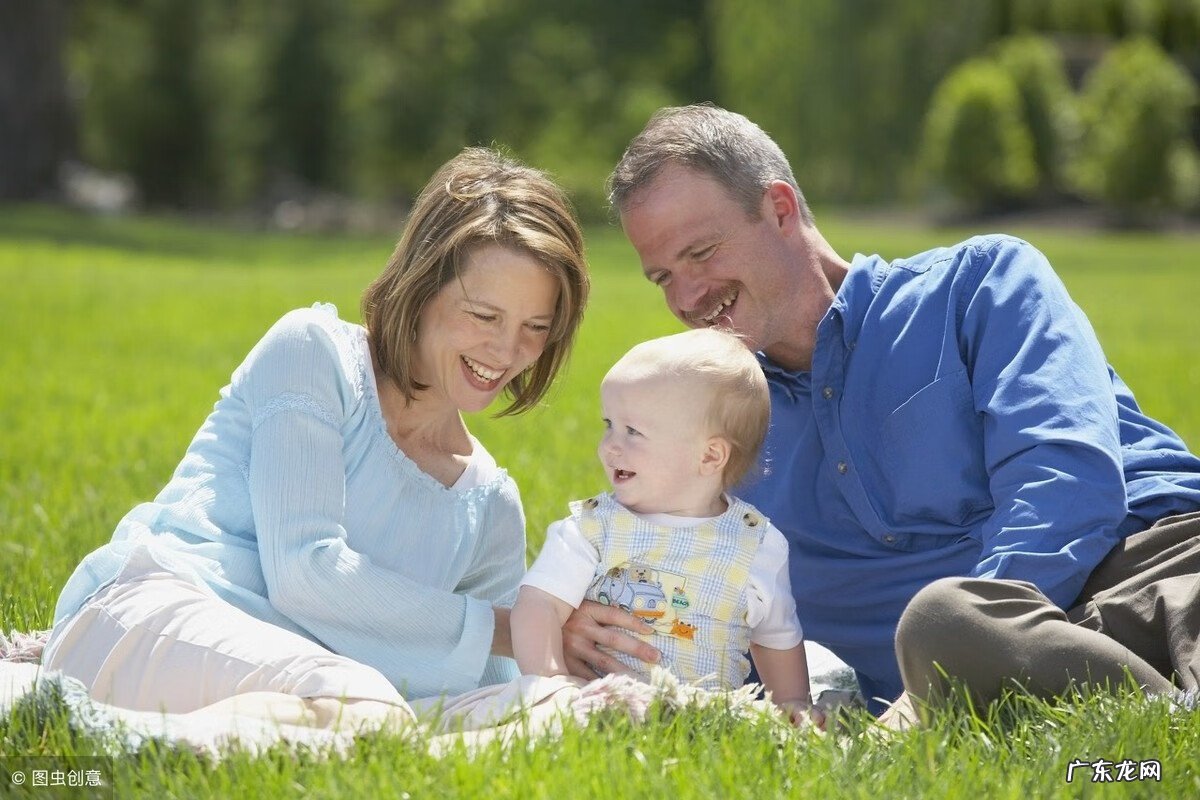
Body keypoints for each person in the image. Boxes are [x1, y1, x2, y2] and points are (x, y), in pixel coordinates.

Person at [561, 102, 1200, 720]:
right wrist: (594, 624)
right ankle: (1152, 729)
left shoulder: (978, 285)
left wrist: (961, 641)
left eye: (700, 254)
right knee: (951, 632)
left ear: (779, 210)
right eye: (663, 277)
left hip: (1140, 573)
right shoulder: (714, 433)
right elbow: (711, 612)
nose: (689, 295)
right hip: (979, 675)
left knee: (949, 619)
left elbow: (1067, 482)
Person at [42, 147, 590, 728]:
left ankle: (159, 749)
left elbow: (498, 691)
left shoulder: (489, 506)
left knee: (380, 715)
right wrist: (514, 623)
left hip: (308, 686)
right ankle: (93, 759)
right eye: (484, 316)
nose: (507, 353)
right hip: (149, 613)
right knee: (362, 704)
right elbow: (303, 571)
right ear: (422, 285)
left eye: (536, 328)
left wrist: (576, 653)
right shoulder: (315, 354)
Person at [511, 329, 819, 726]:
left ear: (710, 455)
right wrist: (552, 686)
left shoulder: (756, 543)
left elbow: (776, 637)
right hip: (601, 709)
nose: (609, 446)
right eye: (609, 425)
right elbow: (537, 605)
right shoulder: (593, 528)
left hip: (703, 720)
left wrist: (793, 702)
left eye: (632, 431)